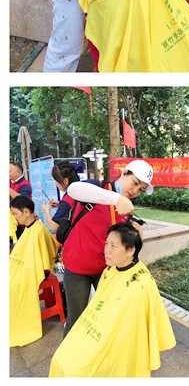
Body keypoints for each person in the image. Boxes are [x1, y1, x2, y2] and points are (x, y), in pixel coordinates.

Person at [49, 223, 175, 376]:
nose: (106, 250)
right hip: (99, 328)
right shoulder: (110, 270)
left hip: (117, 341)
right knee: (60, 358)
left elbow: (130, 333)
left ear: (131, 250)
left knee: (75, 371)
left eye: (113, 246)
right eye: (106, 243)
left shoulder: (139, 284)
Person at [58, 160, 154, 337]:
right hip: (77, 267)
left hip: (105, 271)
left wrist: (133, 232)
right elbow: (73, 189)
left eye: (140, 189)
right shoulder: (97, 188)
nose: (135, 190)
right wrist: (117, 198)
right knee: (75, 320)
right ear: (124, 173)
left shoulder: (125, 209)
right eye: (135, 183)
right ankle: (68, 354)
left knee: (105, 317)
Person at [9, 195, 59, 348]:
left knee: (13, 286)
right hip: (25, 265)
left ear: (26, 212)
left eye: (15, 214)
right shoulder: (29, 228)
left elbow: (45, 259)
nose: (14, 217)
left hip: (37, 269)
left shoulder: (39, 230)